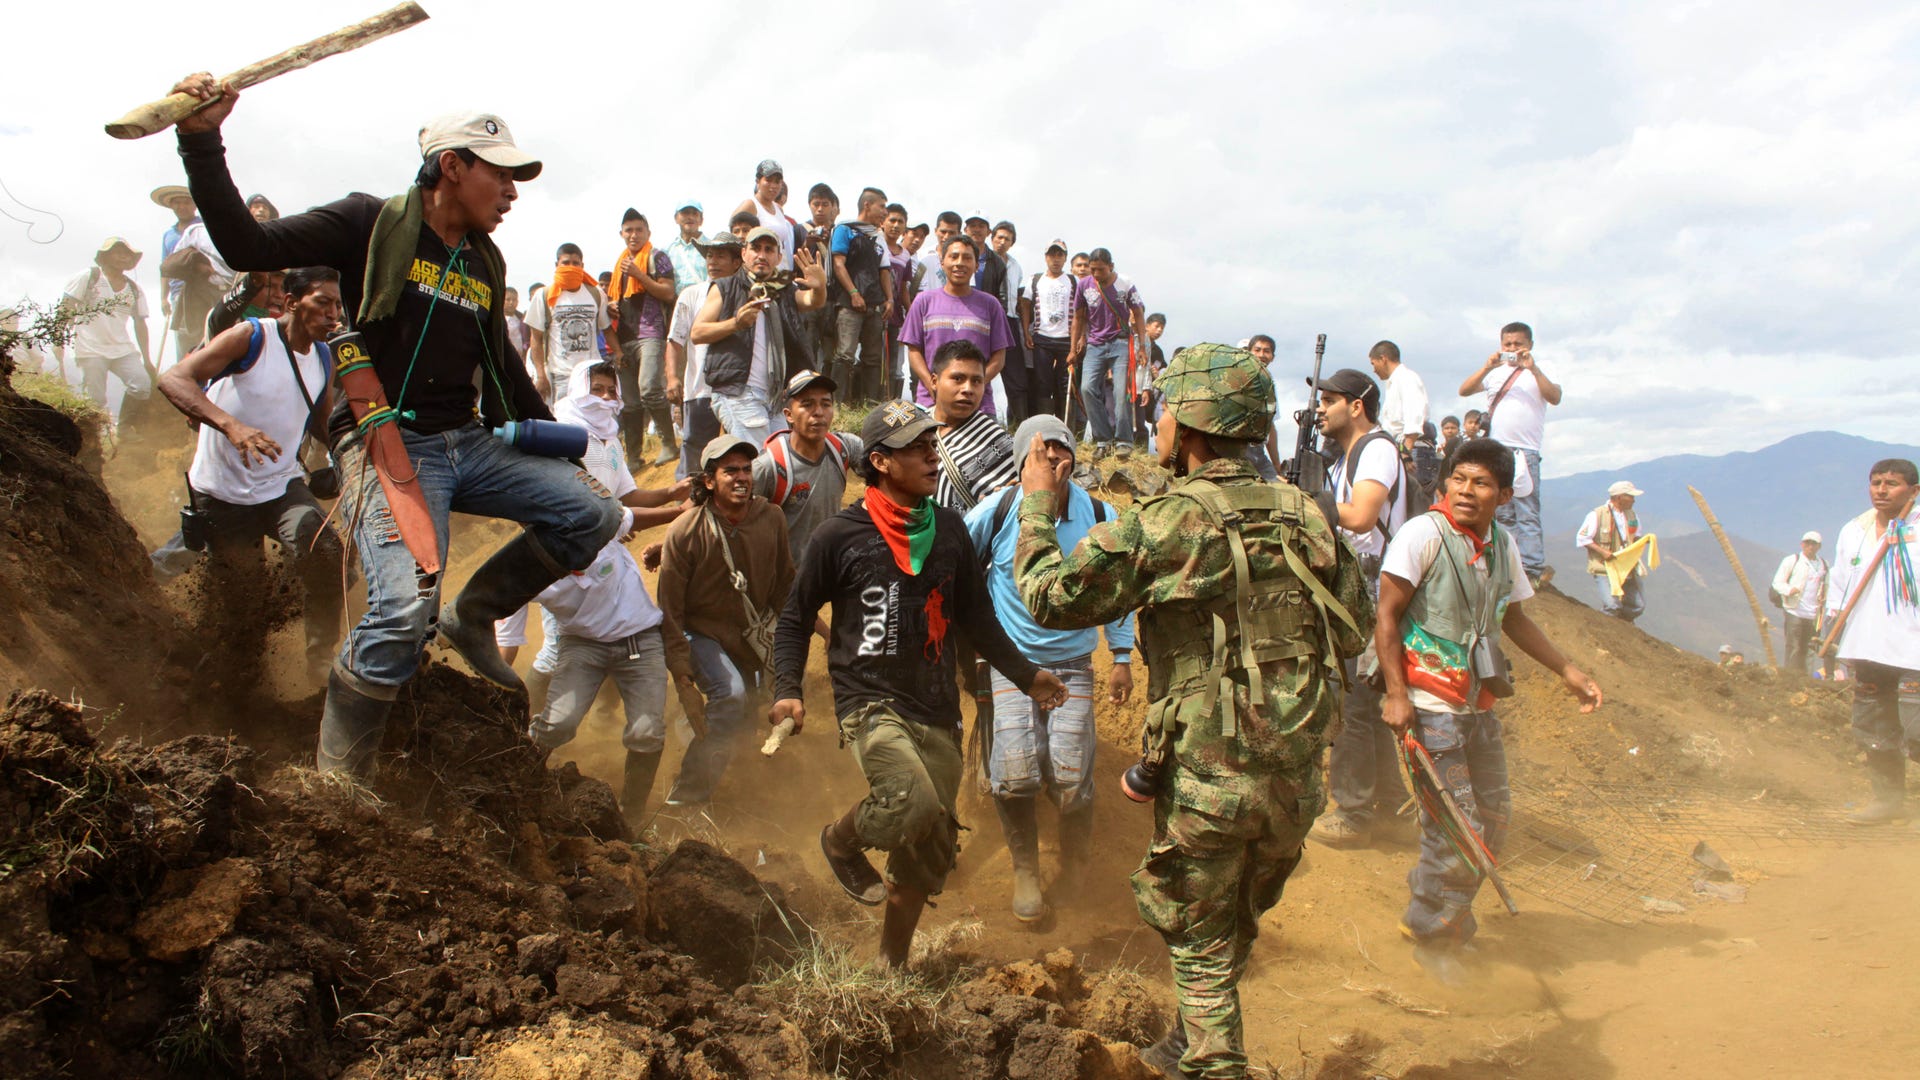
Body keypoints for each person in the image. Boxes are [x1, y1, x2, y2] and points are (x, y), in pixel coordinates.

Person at [168, 74, 622, 776]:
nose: (512, 193)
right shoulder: (367, 223)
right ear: (452, 166)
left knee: (593, 515)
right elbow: (243, 243)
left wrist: (568, 463)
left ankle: (473, 615)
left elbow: (501, 364)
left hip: (468, 442)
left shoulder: (480, 260)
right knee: (401, 615)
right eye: (501, 176)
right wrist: (202, 139)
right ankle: (339, 787)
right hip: (385, 441)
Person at [1010, 342, 1370, 1079]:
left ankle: (1212, 1060)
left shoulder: (1169, 521)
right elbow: (1355, 627)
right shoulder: (1307, 515)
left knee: (1199, 935)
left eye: (1167, 411)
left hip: (1211, 776)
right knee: (1232, 917)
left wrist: (1040, 505)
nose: (1159, 424)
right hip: (1297, 774)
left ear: (1193, 427)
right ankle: (1184, 1040)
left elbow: (1049, 595)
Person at [770, 402, 1067, 968]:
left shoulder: (951, 530)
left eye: (934, 444)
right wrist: (789, 687)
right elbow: (795, 615)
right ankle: (839, 839)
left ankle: (891, 964)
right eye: (917, 448)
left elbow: (977, 620)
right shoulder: (838, 535)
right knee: (909, 803)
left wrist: (1027, 676)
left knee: (928, 845)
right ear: (879, 461)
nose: (934, 455)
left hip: (937, 710)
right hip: (870, 701)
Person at [1375, 438, 1602, 980]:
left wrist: (1568, 672)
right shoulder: (1421, 536)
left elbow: (1515, 619)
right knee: (1455, 829)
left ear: (1503, 495)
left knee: (1493, 824)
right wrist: (1397, 694)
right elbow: (1385, 617)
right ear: (1444, 482)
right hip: (1430, 707)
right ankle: (1434, 938)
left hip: (1478, 705)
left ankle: (1440, 919)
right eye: (1459, 479)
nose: (1466, 492)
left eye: (1480, 484)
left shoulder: (1503, 545)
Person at [965, 414, 1133, 921]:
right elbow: (960, 569)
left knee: (1070, 775)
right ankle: (1026, 872)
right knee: (1014, 775)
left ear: (1075, 459)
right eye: (1039, 452)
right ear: (1021, 464)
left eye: (1060, 449)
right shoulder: (995, 511)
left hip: (1075, 663)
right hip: (1012, 663)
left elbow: (1120, 593)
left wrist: (1122, 656)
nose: (1052, 460)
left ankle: (1075, 867)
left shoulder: (1101, 514)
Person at [513, 362, 689, 826]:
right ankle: (517, 775)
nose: (606, 397)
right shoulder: (559, 438)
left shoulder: (609, 440)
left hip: (631, 622)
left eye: (612, 390)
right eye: (596, 389)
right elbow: (609, 516)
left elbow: (624, 503)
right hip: (583, 626)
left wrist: (673, 492)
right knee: (557, 697)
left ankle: (631, 817)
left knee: (648, 729)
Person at [156, 265, 346, 681]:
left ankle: (320, 662)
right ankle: (235, 686)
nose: (334, 314)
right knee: (243, 602)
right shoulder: (252, 336)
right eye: (323, 303)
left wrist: (342, 457)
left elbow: (320, 418)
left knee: (326, 553)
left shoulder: (324, 356)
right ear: (293, 303)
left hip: (280, 485)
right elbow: (174, 378)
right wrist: (232, 426)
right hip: (221, 493)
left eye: (337, 305)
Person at [1305, 368, 1414, 851]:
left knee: (1349, 704)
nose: (1320, 410)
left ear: (1357, 406)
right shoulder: (1341, 459)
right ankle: (1390, 804)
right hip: (1358, 589)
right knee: (1363, 706)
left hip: (1376, 591)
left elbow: (1363, 515)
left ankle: (1352, 811)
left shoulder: (1377, 449)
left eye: (1329, 400)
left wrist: (1305, 503)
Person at [656, 436, 795, 808]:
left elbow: (785, 584)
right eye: (729, 470)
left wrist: (792, 640)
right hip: (702, 633)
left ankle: (735, 785)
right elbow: (670, 609)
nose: (741, 477)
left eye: (747, 469)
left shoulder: (772, 518)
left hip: (751, 635)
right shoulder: (686, 531)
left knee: (748, 712)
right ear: (708, 481)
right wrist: (683, 677)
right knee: (730, 696)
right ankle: (685, 799)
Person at [1823, 458, 1918, 825]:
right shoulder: (1854, 530)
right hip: (1867, 645)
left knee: (1918, 727)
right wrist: (1834, 626)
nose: (1881, 489)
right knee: (1875, 727)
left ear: (1913, 490)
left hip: (1914, 647)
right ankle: (1888, 800)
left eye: (1891, 483)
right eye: (1875, 482)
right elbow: (1841, 585)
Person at [690, 225, 828, 445]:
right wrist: (736, 323)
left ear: (778, 257)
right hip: (738, 392)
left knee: (778, 461)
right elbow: (697, 332)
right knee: (760, 461)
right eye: (755, 248)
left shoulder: (784, 290)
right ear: (744, 253)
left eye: (769, 249)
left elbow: (813, 301)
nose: (762, 255)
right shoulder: (725, 287)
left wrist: (820, 286)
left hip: (775, 397)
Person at [1458, 323, 1562, 586]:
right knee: (1501, 509)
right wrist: (1487, 366)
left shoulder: (1541, 369)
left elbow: (1555, 396)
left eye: (1518, 344)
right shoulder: (1495, 373)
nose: (1513, 349)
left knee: (1527, 510)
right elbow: (1464, 390)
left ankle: (1531, 569)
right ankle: (1508, 562)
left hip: (1525, 451)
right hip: (1496, 450)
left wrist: (1533, 368)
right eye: (1508, 344)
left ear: (1530, 344)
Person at [754, 370, 865, 565]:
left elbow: (887, 473)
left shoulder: (844, 449)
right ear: (788, 415)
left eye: (825, 404)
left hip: (827, 569)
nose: (819, 412)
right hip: (785, 579)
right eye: (807, 404)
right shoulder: (770, 465)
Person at [901, 236, 1010, 417]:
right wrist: (933, 385)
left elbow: (999, 357)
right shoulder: (923, 302)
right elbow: (914, 351)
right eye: (954, 257)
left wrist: (975, 385)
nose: (960, 263)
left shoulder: (991, 305)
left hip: (979, 408)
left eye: (967, 258)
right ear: (942, 263)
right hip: (930, 405)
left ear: (977, 265)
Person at [606, 209, 681, 465]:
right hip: (624, 338)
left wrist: (639, 275)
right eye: (629, 230)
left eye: (639, 229)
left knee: (650, 389)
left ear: (648, 232)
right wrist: (610, 305)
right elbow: (617, 298)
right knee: (630, 403)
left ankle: (669, 444)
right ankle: (634, 457)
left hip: (651, 333)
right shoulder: (619, 264)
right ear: (621, 234)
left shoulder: (657, 257)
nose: (633, 234)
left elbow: (669, 293)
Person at [667, 231, 743, 478]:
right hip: (700, 388)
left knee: (740, 451)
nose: (713, 261)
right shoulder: (691, 294)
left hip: (738, 390)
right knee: (694, 451)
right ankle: (689, 507)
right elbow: (675, 341)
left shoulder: (747, 294)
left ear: (737, 261)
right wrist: (672, 378)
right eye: (710, 255)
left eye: (721, 256)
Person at [54, 238, 153, 417]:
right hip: (89, 348)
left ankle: (125, 431)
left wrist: (147, 359)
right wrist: (57, 339)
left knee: (141, 385)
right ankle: (95, 440)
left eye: (127, 255)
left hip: (122, 348)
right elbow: (66, 307)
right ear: (106, 257)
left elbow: (140, 324)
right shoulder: (89, 277)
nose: (123, 258)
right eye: (118, 253)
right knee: (95, 400)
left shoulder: (134, 289)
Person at [1070, 248, 1146, 459]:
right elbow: (1078, 317)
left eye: (1100, 270)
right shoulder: (1084, 285)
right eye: (1092, 269)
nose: (1095, 274)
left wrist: (1141, 347)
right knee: (1086, 389)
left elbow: (1139, 313)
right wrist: (1072, 348)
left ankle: (1124, 440)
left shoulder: (1125, 283)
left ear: (1111, 266)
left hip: (1121, 343)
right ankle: (1102, 439)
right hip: (1095, 345)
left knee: (1121, 392)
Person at [927, 340, 1017, 511]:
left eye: (976, 381)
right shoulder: (913, 431)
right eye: (958, 378)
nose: (968, 389)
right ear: (934, 381)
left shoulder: (1001, 443)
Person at [828, 187, 895, 403]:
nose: (885, 212)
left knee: (873, 358)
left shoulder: (878, 236)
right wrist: (853, 292)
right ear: (867, 205)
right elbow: (838, 264)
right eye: (882, 206)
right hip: (849, 303)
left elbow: (884, 270)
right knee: (845, 354)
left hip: (874, 304)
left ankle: (871, 405)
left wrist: (890, 299)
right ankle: (837, 405)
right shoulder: (845, 229)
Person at [527, 242, 610, 403]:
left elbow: (606, 328)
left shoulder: (596, 294)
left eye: (575, 263)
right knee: (564, 422)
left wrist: (619, 354)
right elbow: (536, 339)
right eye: (565, 263)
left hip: (591, 372)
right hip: (561, 375)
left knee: (592, 419)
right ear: (556, 264)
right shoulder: (544, 296)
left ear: (582, 265)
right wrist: (541, 376)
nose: (571, 267)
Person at [1577, 481, 1649, 623]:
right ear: (1619, 497)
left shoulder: (1632, 515)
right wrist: (1603, 552)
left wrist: (1643, 541)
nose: (1634, 500)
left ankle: (1624, 624)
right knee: (1612, 605)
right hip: (1605, 567)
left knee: (1637, 606)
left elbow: (1636, 536)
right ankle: (1603, 627)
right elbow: (1583, 538)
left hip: (1626, 567)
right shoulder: (1597, 515)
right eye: (1630, 496)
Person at [1024, 239, 1075, 422]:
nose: (1055, 259)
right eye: (1052, 254)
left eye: (1060, 255)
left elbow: (1080, 312)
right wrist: (1026, 332)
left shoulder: (1071, 281)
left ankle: (1064, 426)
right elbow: (1025, 303)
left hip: (1066, 339)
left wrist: (1077, 341)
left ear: (1065, 258)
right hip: (1042, 338)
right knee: (1042, 383)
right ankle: (1045, 423)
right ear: (1046, 257)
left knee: (1064, 384)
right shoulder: (1036, 279)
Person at [987, 220, 1028, 426]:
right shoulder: (983, 260)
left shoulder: (1015, 265)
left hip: (1010, 321)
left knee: (1015, 377)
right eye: (999, 237)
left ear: (1012, 243)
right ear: (992, 237)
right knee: (982, 370)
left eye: (1007, 239)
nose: (1002, 242)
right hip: (986, 319)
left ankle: (1017, 425)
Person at [153, 184, 199, 365]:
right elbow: (166, 268)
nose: (181, 207)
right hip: (178, 293)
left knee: (203, 335)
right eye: (177, 203)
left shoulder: (203, 227)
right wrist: (163, 298)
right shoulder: (168, 235)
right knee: (183, 337)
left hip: (202, 290)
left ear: (194, 205)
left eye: (186, 202)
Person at [1772, 531, 1829, 675]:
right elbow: (1777, 582)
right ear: (1802, 544)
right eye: (1807, 543)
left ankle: (1806, 679)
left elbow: (1827, 585)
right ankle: (1791, 677)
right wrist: (1789, 590)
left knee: (1809, 648)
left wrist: (1824, 599)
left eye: (1813, 543)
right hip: (1794, 610)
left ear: (1819, 546)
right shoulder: (1793, 560)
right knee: (1794, 646)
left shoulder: (1824, 565)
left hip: (1813, 614)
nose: (1810, 546)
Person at [733, 159, 794, 269]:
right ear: (758, 181)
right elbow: (733, 234)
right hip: (758, 273)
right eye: (768, 180)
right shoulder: (751, 205)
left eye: (777, 181)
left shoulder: (779, 209)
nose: (773, 185)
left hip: (780, 273)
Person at [882, 203, 916, 401]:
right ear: (883, 222)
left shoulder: (905, 255)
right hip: (876, 310)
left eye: (900, 222)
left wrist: (911, 313)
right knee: (873, 360)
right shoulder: (876, 245)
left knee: (895, 365)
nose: (895, 225)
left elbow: (904, 288)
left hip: (896, 317)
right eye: (891, 220)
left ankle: (891, 403)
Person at [1247, 334, 1283, 482]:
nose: (1262, 355)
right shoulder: (1238, 377)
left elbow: (1270, 427)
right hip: (1236, 451)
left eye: (1266, 351)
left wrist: (1276, 464)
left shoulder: (1269, 384)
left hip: (1258, 452)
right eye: (1257, 350)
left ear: (1273, 357)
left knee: (1280, 489)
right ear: (1249, 352)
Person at [664, 199, 707, 297]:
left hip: (703, 307)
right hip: (675, 307)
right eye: (685, 213)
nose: (690, 217)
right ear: (676, 218)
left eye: (695, 214)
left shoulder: (711, 248)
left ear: (701, 220)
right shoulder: (667, 250)